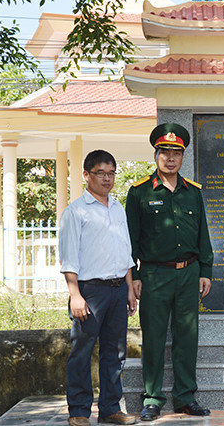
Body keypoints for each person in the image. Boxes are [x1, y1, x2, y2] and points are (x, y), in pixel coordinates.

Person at [126, 123, 213, 421]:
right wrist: (134, 277)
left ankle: (185, 397)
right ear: (156, 155)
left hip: (189, 273)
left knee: (187, 337)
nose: (171, 158)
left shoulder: (192, 192)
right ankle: (152, 398)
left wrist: (206, 269)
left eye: (176, 153)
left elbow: (203, 234)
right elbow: (130, 239)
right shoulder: (139, 193)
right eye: (165, 152)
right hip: (153, 275)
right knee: (152, 338)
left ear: (183, 156)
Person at [59, 149, 138, 426]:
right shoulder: (76, 212)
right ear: (86, 175)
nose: (107, 179)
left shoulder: (118, 208)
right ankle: (79, 412)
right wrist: (75, 296)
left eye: (111, 173)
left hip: (118, 290)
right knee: (82, 352)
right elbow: (68, 258)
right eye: (100, 173)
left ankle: (110, 408)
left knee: (115, 353)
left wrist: (129, 288)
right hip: (89, 291)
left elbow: (126, 253)